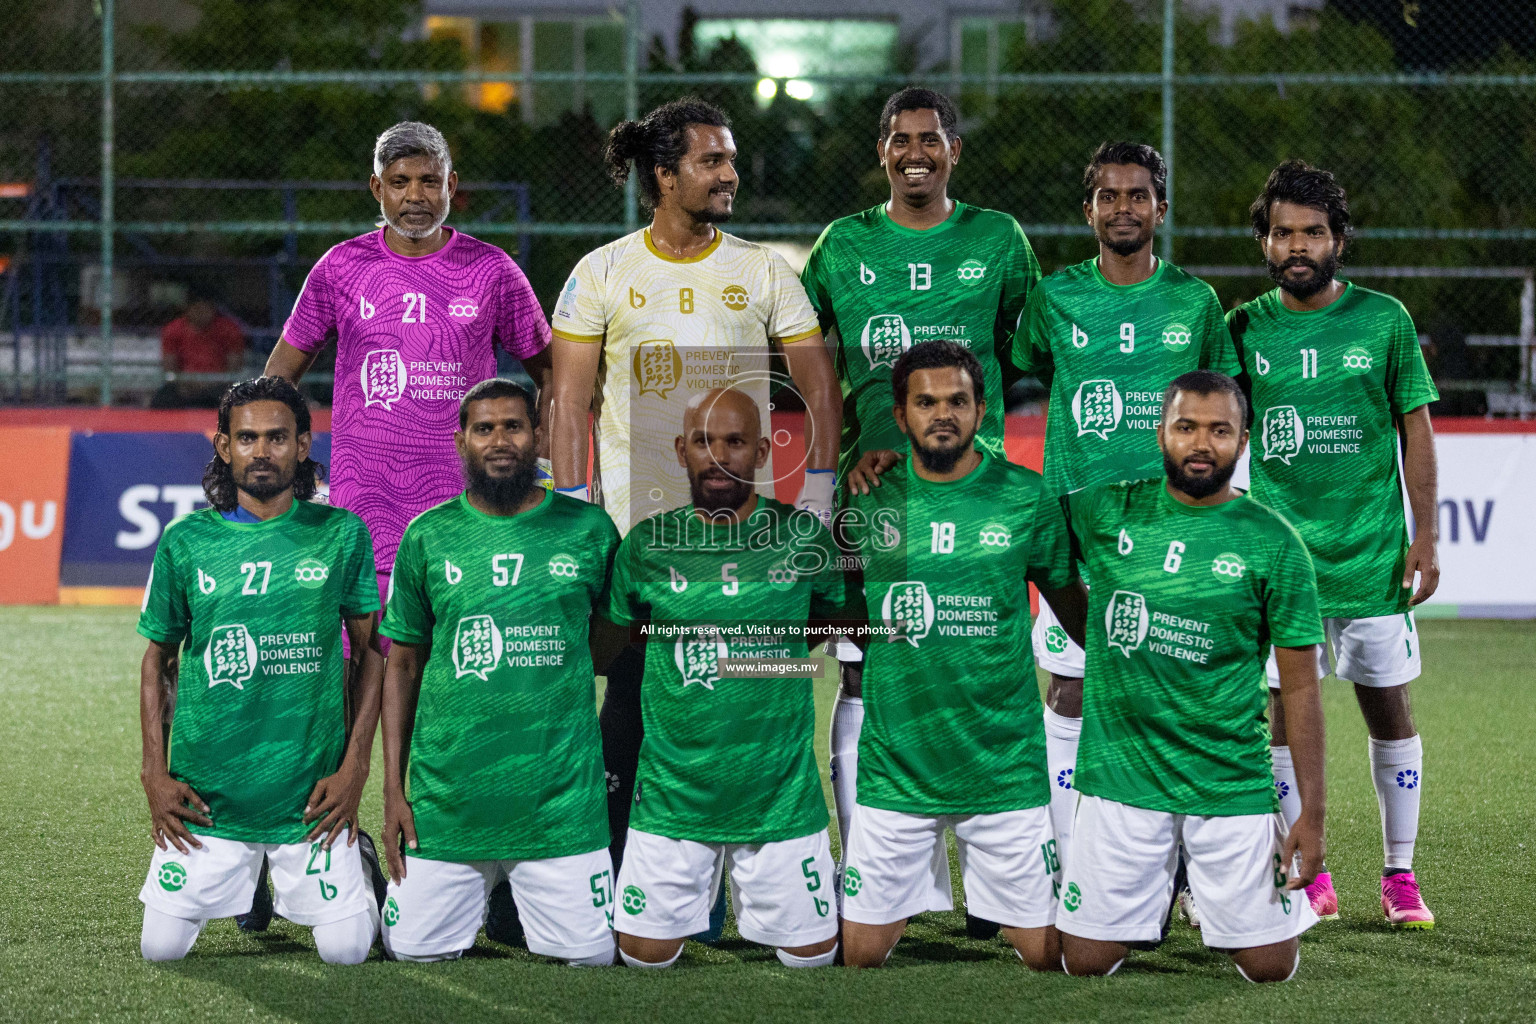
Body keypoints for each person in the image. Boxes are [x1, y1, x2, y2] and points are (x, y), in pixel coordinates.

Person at [852, 142, 1239, 874]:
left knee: (1175, 689)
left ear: (1162, 206)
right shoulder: (1053, 301)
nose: (1123, 208)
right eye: (1109, 195)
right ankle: (1067, 864)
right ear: (1087, 208)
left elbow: (1221, 410)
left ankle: (1183, 871)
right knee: (1068, 689)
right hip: (1078, 529)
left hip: (1172, 533)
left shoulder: (1196, 302)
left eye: (1138, 195)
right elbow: (1008, 372)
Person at [547, 97, 841, 896]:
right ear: (665, 174)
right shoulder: (601, 273)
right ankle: (609, 881)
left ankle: (747, 886)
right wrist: (575, 521)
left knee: (745, 706)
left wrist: (813, 504)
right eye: (713, 162)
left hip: (745, 543)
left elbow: (818, 388)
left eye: (731, 160)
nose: (731, 175)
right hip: (635, 537)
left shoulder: (763, 269)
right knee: (629, 713)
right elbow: (568, 404)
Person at [264, 120, 550, 939]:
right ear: (377, 189)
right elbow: (278, 378)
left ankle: (479, 863)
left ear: (452, 184)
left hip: (464, 525)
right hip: (359, 520)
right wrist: (275, 471)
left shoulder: (493, 272)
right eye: (402, 182)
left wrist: (549, 469)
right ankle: (303, 853)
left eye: (431, 181)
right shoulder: (341, 269)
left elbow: (550, 376)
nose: (417, 196)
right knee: (342, 689)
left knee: (464, 689)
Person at [798, 87, 1042, 890]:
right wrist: (829, 485)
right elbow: (808, 370)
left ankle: (993, 874)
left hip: (978, 502)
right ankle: (872, 871)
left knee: (983, 661)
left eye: (930, 139)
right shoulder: (840, 246)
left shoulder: (999, 241)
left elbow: (1031, 350)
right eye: (900, 139)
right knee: (865, 664)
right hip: (876, 500)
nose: (915, 152)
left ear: (954, 151)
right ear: (881, 152)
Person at [1056, 370, 1325, 983]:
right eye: (1186, 427)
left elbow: (1302, 689)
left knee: (1270, 968)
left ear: (1245, 440)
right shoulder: (1107, 508)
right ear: (1161, 433)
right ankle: (1150, 903)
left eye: (1219, 431)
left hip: (1227, 779)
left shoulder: (1275, 543)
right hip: (1122, 774)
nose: (1201, 444)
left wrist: (1312, 815)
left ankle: (1207, 897)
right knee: (1085, 963)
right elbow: (1027, 526)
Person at [1230, 160, 1441, 928]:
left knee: (1389, 707)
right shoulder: (1243, 327)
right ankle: (1306, 869)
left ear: (1338, 240)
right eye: (1282, 231)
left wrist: (1428, 537)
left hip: (1370, 557)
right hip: (1283, 569)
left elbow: (1415, 430)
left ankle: (1399, 874)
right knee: (1285, 712)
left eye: (1312, 231)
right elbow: (1219, 430)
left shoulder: (1384, 320)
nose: (1297, 244)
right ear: (1264, 242)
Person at [836, 341, 1086, 970]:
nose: (942, 414)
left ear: (981, 411)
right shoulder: (865, 494)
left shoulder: (1025, 496)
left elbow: (1077, 613)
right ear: (900, 414)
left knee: (1047, 957)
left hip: (1002, 771)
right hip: (898, 771)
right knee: (858, 956)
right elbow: (834, 609)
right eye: (926, 402)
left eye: (957, 401)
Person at [135, 376, 385, 964]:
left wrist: (355, 768)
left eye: (278, 438)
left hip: (309, 796)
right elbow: (156, 661)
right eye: (247, 438)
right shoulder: (185, 541)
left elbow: (372, 657)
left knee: (347, 951)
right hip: (207, 796)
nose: (262, 451)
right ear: (224, 447)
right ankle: (248, 879)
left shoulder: (341, 534)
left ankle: (359, 863)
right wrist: (154, 770)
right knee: (161, 949)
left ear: (302, 446)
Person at [377, 380, 620, 966]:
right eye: (484, 429)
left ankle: (509, 895)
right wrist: (392, 788)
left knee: (590, 956)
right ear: (460, 440)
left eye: (513, 426)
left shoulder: (590, 531)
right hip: (448, 802)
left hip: (559, 808)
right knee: (409, 950)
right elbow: (403, 662)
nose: (499, 440)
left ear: (537, 435)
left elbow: (608, 643)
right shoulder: (427, 534)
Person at [604, 387, 844, 969]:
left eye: (734, 442)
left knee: (811, 959)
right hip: (673, 794)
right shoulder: (646, 545)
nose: (718, 456)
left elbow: (827, 622)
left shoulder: (803, 538)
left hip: (778, 794)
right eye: (704, 442)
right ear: (681, 450)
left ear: (762, 451)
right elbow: (618, 641)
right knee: (641, 956)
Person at [154, 296, 246, 408]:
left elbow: (234, 368)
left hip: (218, 385)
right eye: (197, 308)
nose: (201, 313)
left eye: (205, 309)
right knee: (162, 399)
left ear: (213, 309)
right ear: (188, 309)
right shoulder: (174, 329)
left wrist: (212, 384)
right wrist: (184, 383)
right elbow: (170, 367)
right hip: (185, 386)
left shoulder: (229, 329)